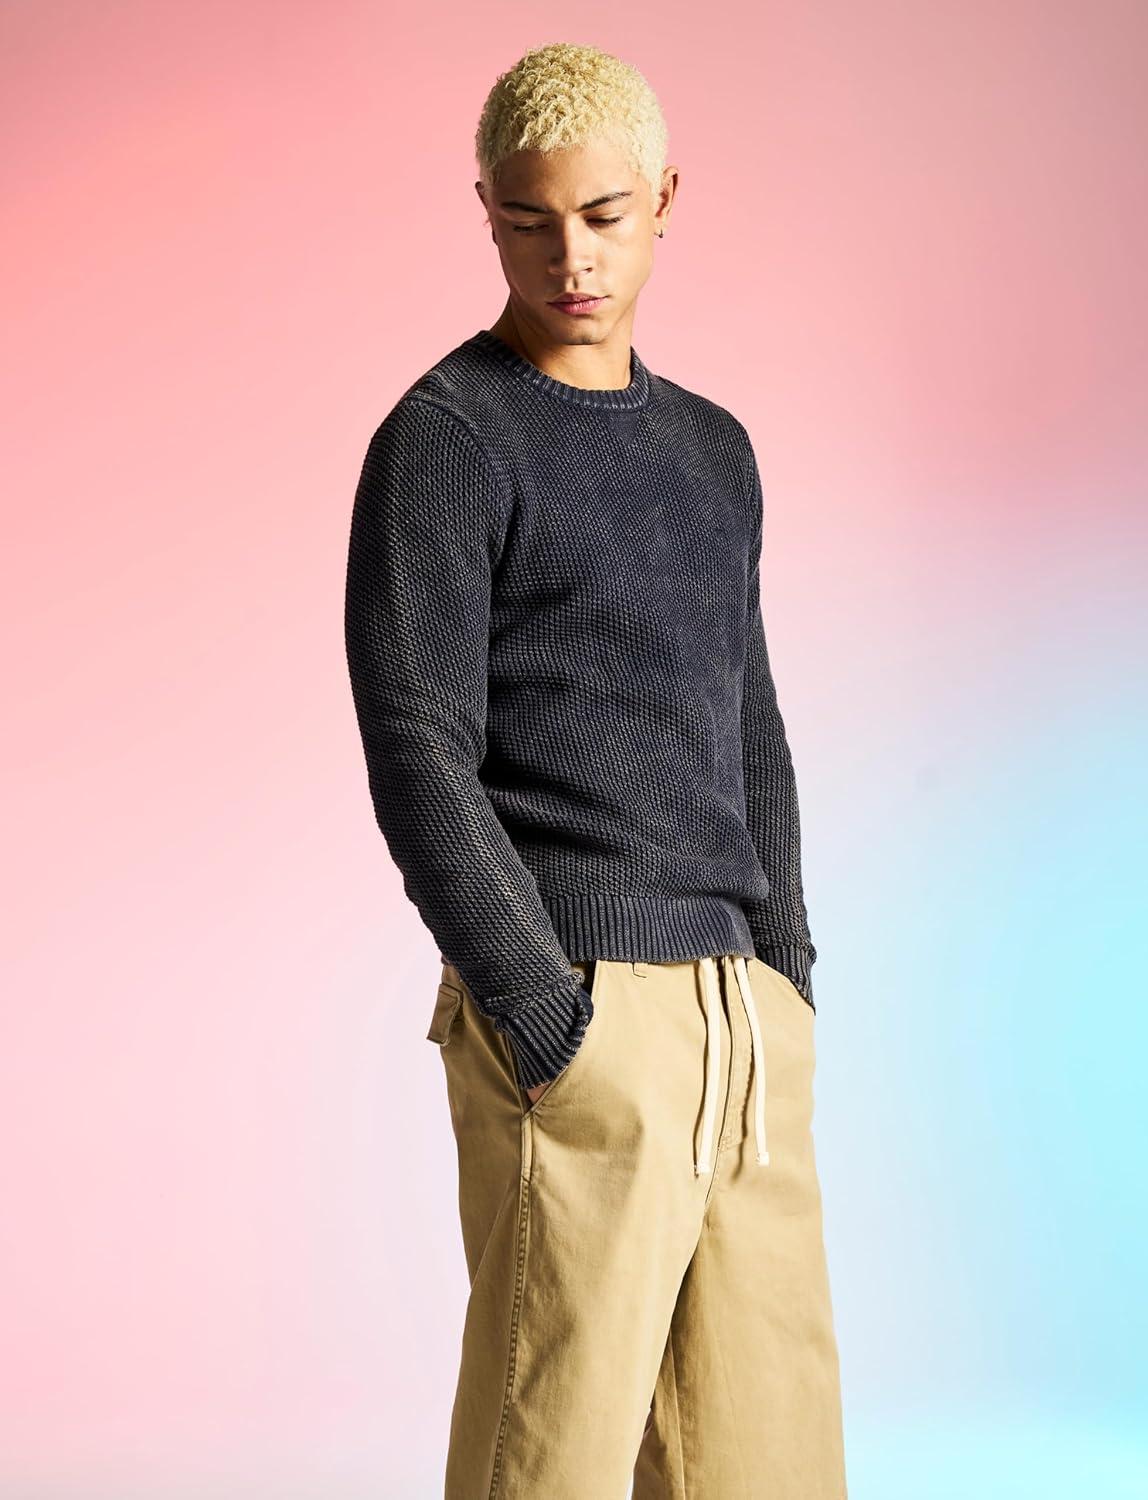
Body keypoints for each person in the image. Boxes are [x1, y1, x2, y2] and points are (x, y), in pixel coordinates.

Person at [343, 40, 848, 1499]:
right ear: (487, 214)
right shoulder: (447, 439)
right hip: (578, 1011)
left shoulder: (714, 450)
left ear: (666, 199)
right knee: (547, 1458)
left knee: (768, 1462)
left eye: (605, 215)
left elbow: (748, 718)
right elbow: (417, 747)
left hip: (739, 1022)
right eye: (529, 220)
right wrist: (539, 1013)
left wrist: (784, 975)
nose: (570, 256)